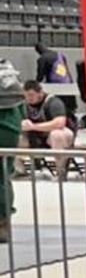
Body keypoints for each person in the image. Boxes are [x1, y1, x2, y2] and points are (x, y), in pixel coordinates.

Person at [18, 81, 75, 179]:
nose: (28, 98)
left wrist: (33, 126)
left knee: (57, 134)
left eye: (31, 95)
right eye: (26, 96)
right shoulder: (23, 104)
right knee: (12, 135)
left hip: (56, 137)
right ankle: (19, 171)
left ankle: (60, 173)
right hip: (34, 137)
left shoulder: (53, 102)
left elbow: (60, 123)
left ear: (40, 93)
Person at [0, 60, 21, 243]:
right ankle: (3, 222)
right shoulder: (7, 68)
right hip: (11, 127)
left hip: (4, 127)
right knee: (3, 175)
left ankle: (2, 222)